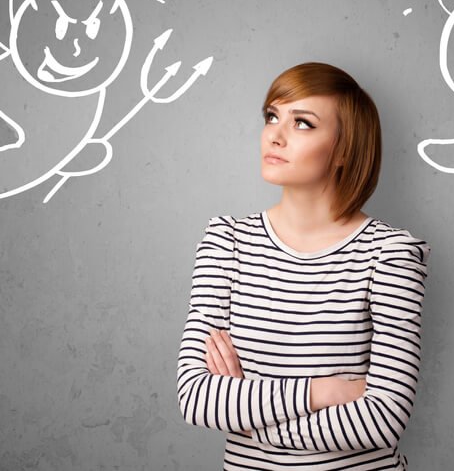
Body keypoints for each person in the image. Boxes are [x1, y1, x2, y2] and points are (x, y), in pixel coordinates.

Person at [176, 62, 430, 470]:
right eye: (272, 116)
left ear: (345, 149)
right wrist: (321, 392)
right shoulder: (227, 242)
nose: (275, 135)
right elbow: (195, 397)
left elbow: (384, 419)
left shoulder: (391, 255)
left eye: (303, 124)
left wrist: (248, 416)